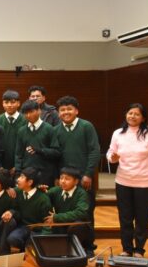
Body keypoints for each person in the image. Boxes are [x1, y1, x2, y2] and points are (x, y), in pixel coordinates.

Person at [106, 103, 148, 257]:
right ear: (126, 114)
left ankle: (139, 249)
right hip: (123, 181)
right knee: (125, 217)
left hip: (146, 183)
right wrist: (112, 158)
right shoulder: (118, 133)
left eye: (137, 114)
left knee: (142, 218)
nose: (132, 116)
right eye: (130, 113)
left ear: (143, 118)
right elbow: (110, 153)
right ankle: (126, 248)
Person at [55, 95, 101, 245]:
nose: (66, 112)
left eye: (69, 109)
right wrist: (58, 177)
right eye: (62, 110)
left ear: (76, 111)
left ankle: (88, 245)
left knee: (87, 212)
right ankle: (68, 245)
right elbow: (55, 155)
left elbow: (94, 151)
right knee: (65, 211)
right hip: (64, 180)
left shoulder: (86, 126)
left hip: (84, 179)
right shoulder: (56, 130)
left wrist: (88, 174)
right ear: (58, 113)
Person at [43, 167, 93, 256]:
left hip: (78, 227)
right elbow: (43, 199)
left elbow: (80, 213)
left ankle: (78, 250)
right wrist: (40, 191)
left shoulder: (82, 194)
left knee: (78, 227)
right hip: (61, 226)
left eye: (67, 179)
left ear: (76, 181)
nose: (63, 181)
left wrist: (57, 217)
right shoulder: (56, 190)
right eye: (61, 178)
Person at [14, 99, 60, 187]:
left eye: (31, 112)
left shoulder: (49, 129)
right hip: (27, 174)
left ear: (39, 111)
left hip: (45, 174)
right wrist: (18, 173)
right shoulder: (21, 131)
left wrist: (40, 151)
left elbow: (56, 152)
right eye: (26, 113)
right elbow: (18, 155)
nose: (28, 115)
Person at [6, 167, 52, 252]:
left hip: (38, 230)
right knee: (12, 239)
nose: (18, 179)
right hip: (23, 227)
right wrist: (7, 188)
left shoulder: (43, 199)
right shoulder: (18, 191)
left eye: (22, 177)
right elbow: (4, 190)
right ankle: (25, 248)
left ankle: (29, 248)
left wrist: (43, 238)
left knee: (33, 244)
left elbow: (48, 222)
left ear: (30, 182)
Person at [0, 89, 25, 178]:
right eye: (6, 102)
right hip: (1, 166)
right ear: (2, 104)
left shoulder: (25, 120)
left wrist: (17, 166)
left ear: (18, 103)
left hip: (21, 166)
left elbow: (27, 145)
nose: (9, 105)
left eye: (12, 102)